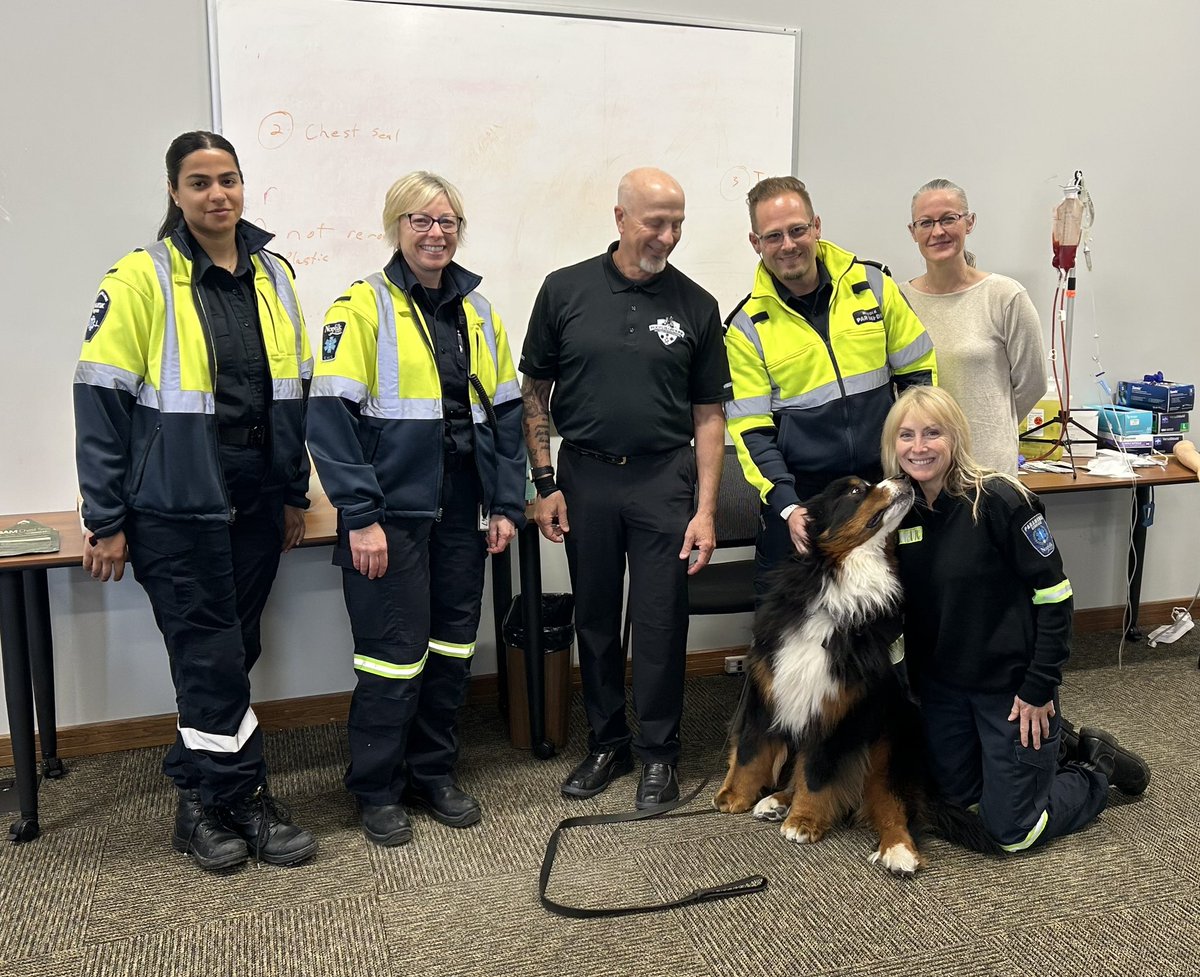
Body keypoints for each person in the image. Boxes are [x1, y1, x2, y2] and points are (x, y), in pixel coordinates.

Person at [74, 130, 317, 872]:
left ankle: (195, 794)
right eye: (201, 182)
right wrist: (104, 518)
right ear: (175, 193)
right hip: (175, 502)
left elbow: (294, 389)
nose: (219, 194)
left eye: (229, 179)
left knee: (232, 649)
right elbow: (100, 401)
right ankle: (242, 799)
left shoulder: (275, 273)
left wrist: (293, 491)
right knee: (211, 654)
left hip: (257, 492)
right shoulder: (141, 277)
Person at [307, 171, 525, 847]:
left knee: (452, 648)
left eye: (447, 221)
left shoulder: (479, 311)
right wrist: (361, 516)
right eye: (421, 220)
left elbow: (507, 415)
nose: (436, 233)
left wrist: (506, 504)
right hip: (390, 516)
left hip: (462, 508)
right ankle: (377, 787)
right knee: (392, 657)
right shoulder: (361, 306)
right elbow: (329, 422)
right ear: (396, 227)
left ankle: (433, 772)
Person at [520, 167, 730, 809]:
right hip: (585, 476)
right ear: (619, 218)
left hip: (663, 477)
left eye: (677, 225)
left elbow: (709, 415)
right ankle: (607, 742)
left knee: (661, 620)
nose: (667, 237)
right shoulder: (564, 290)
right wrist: (545, 481)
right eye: (654, 223)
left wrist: (705, 510)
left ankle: (660, 753)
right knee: (595, 616)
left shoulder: (697, 305)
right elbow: (535, 391)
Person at [882, 386, 1150, 852]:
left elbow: (1056, 597)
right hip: (943, 692)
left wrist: (1039, 687)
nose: (918, 447)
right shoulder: (899, 514)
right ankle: (1054, 747)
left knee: (1010, 831)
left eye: (932, 433)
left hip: (1010, 690)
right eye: (906, 435)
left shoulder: (1000, 500)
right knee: (958, 810)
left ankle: (1094, 768)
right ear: (893, 444)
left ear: (956, 437)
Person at [724, 175, 937, 597]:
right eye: (774, 236)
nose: (788, 244)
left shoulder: (873, 286)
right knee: (787, 624)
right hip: (804, 502)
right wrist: (787, 504)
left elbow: (919, 379)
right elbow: (751, 432)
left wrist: (916, 458)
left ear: (816, 226)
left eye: (797, 230)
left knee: (901, 611)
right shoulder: (745, 328)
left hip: (882, 488)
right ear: (755, 242)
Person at [898, 179, 1046, 474]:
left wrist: (992, 430)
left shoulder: (1005, 296)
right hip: (921, 470)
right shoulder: (898, 300)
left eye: (948, 219)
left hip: (987, 468)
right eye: (926, 223)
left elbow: (1033, 383)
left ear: (969, 222)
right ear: (913, 232)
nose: (938, 232)